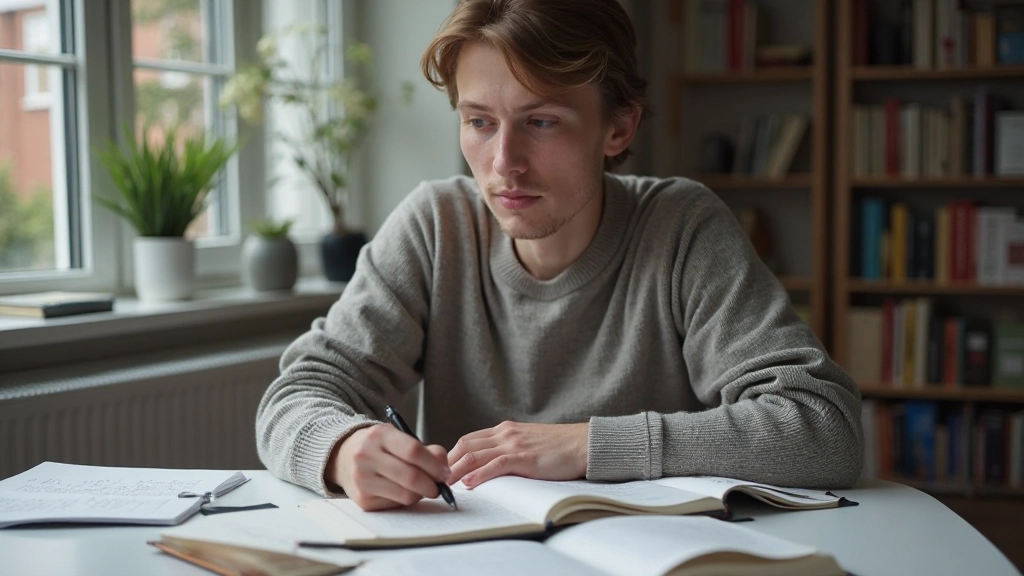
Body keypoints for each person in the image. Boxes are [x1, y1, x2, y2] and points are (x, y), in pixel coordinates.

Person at [256, 0, 862, 511]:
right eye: (479, 121)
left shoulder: (680, 227)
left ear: (618, 129)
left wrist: (588, 446)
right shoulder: (435, 225)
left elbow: (822, 427)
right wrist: (342, 447)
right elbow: (298, 393)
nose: (504, 164)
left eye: (541, 122)